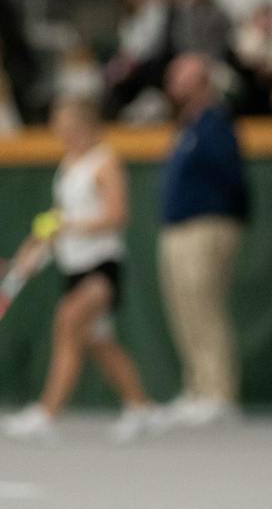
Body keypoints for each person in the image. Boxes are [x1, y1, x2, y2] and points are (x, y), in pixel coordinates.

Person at [1, 98, 159, 444]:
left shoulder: (106, 162)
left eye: (68, 128)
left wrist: (69, 227)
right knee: (99, 340)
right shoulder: (67, 165)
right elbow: (53, 221)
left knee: (68, 319)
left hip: (102, 265)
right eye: (58, 128)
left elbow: (117, 216)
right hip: (72, 265)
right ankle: (141, 406)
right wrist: (27, 256)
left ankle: (47, 413)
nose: (62, 134)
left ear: (86, 126)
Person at [159, 54, 249, 428]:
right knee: (184, 310)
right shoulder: (187, 125)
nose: (176, 86)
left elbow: (229, 176)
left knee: (205, 307)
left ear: (202, 82)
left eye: (184, 78)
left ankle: (219, 393)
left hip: (207, 228)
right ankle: (197, 387)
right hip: (177, 228)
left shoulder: (215, 122)